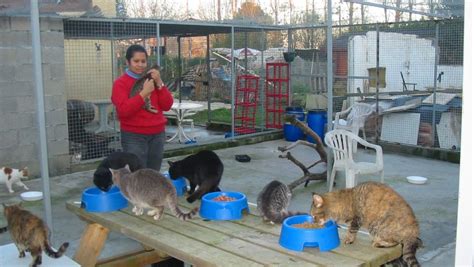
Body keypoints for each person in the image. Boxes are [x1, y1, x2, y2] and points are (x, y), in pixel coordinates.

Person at [111, 44, 173, 171]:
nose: (140, 65)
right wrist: (144, 93)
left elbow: (167, 105)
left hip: (157, 134)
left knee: (153, 173)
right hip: (134, 135)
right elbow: (123, 111)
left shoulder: (152, 79)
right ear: (128, 62)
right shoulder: (120, 84)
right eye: (136, 61)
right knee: (138, 174)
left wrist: (159, 83)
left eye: (143, 61)